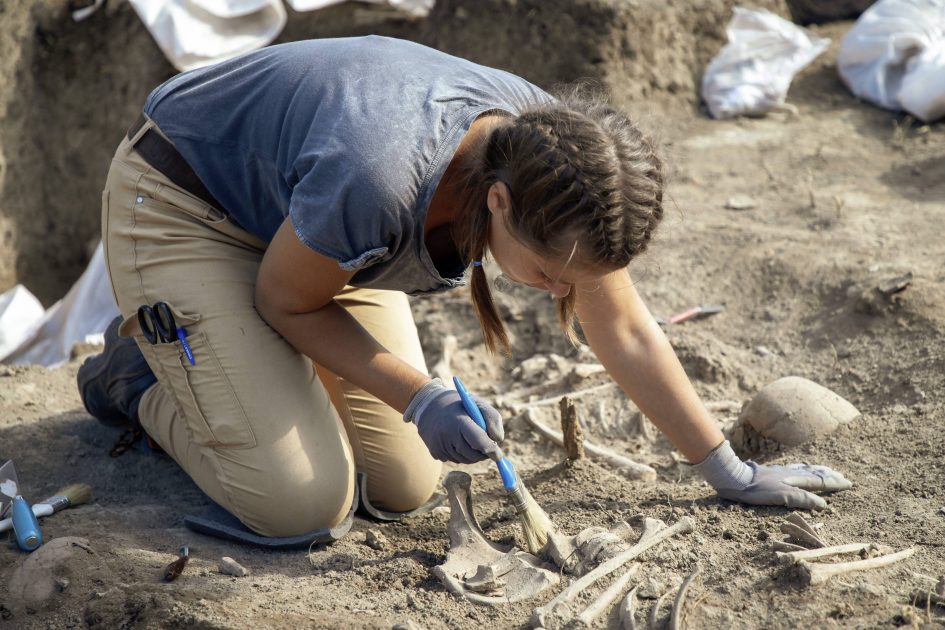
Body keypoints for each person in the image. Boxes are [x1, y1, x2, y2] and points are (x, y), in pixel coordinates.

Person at [78, 36, 850, 538]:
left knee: (402, 485)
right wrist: (418, 396)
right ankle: (139, 374)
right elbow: (286, 300)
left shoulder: (562, 167)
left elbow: (626, 329)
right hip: (190, 207)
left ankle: (236, 370)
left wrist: (727, 470)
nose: (556, 292)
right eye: (549, 275)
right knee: (298, 507)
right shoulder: (381, 180)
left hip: (315, 231)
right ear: (498, 203)